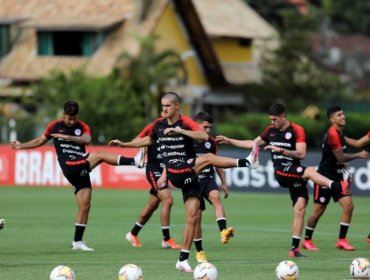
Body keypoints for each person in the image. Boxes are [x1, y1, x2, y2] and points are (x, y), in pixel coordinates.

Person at [109, 92, 259, 272]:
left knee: (193, 217)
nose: (164, 109)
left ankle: (183, 259)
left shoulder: (185, 122)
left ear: (177, 106)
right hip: (176, 171)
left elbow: (203, 136)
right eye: (163, 106)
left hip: (190, 175)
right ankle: (247, 162)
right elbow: (149, 140)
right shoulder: (158, 124)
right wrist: (125, 144)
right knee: (208, 158)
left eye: (168, 106)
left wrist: (180, 131)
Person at [216, 102, 349, 258]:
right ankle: (337, 187)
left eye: (274, 119)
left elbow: (301, 154)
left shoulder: (297, 130)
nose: (272, 123)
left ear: (283, 116)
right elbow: (253, 143)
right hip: (281, 172)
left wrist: (282, 150)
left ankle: (294, 249)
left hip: (295, 172)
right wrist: (229, 140)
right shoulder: (270, 131)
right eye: (270, 120)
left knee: (301, 208)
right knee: (310, 171)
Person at [10, 100, 144, 251]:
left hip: (81, 162)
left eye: (75, 118)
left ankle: (77, 242)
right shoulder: (55, 126)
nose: (72, 121)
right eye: (69, 118)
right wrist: (21, 146)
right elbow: (40, 140)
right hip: (69, 165)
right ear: (64, 115)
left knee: (85, 205)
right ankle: (135, 161)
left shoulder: (82, 126)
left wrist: (68, 138)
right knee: (99, 155)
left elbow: (87, 139)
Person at [303, 106, 368, 251]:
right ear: (332, 119)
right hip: (324, 178)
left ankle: (342, 240)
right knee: (319, 210)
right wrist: (359, 155)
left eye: (343, 114)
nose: (343, 116)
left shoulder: (340, 134)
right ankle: (307, 240)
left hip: (338, 178)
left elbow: (358, 143)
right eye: (339, 115)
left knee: (348, 206)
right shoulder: (333, 134)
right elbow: (340, 157)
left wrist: (346, 172)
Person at [125, 112, 181, 249]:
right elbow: (136, 140)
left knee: (152, 205)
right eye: (164, 109)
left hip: (164, 171)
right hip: (153, 169)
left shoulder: (178, 127)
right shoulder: (153, 126)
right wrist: (141, 152)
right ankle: (166, 239)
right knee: (168, 200)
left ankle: (133, 233)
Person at [192, 111, 234, 263]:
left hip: (208, 179)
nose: (208, 130)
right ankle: (199, 251)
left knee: (216, 198)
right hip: (192, 181)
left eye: (210, 127)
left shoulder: (211, 142)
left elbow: (217, 162)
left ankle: (223, 231)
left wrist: (224, 183)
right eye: (205, 127)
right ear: (196, 125)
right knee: (197, 217)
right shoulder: (186, 140)